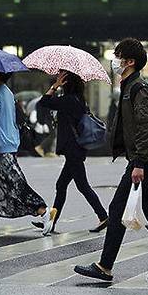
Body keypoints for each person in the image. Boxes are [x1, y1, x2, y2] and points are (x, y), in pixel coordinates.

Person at [74, 38, 148, 282]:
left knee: (117, 209)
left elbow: (147, 127)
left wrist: (138, 163)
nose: (115, 60)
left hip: (144, 161)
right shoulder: (129, 86)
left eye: (119, 56)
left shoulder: (138, 89)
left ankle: (105, 266)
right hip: (145, 160)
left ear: (130, 62)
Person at [0, 71, 56, 236]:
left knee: (16, 185)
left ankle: (43, 210)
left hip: (1, 147)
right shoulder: (7, 92)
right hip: (8, 143)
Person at [35, 70, 108, 233]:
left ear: (66, 83)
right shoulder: (78, 99)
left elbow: (43, 102)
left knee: (82, 185)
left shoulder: (68, 101)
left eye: (62, 79)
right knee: (61, 185)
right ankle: (52, 222)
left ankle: (103, 216)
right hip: (75, 149)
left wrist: (55, 86)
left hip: (73, 149)